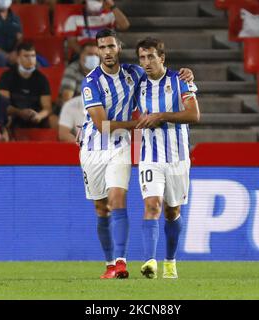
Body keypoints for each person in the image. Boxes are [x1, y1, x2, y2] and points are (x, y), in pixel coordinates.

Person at [79, 29, 193, 279]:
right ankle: (110, 263)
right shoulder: (90, 82)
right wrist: (141, 123)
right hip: (92, 148)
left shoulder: (134, 73)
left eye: (111, 46)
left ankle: (121, 263)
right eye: (102, 47)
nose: (107, 52)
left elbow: (160, 74)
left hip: (120, 146)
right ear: (98, 51)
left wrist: (186, 74)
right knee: (101, 207)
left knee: (117, 200)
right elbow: (102, 126)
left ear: (118, 47)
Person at [134, 37, 200, 279]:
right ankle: (150, 261)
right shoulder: (137, 84)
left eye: (151, 56)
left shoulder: (180, 80)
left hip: (178, 157)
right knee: (152, 205)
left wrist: (161, 116)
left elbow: (194, 115)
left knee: (173, 212)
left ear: (162, 58)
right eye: (142, 57)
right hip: (149, 155)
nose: (146, 62)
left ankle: (170, 261)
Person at [0, 42, 53, 130]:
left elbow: (47, 107)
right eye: (26, 56)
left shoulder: (41, 79)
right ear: (18, 58)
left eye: (33, 56)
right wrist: (19, 112)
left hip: (35, 117)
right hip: (14, 116)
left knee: (53, 120)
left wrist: (39, 116)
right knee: (4, 118)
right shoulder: (7, 76)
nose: (30, 59)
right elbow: (3, 105)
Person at [50, 41, 99, 130]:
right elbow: (67, 99)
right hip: (75, 111)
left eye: (96, 55)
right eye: (90, 54)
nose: (93, 57)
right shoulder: (72, 70)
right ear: (81, 55)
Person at [65, 0, 130, 56]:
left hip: (106, 54)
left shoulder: (109, 14)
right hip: (82, 54)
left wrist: (113, 6)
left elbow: (125, 25)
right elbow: (72, 42)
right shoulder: (74, 16)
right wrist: (85, 54)